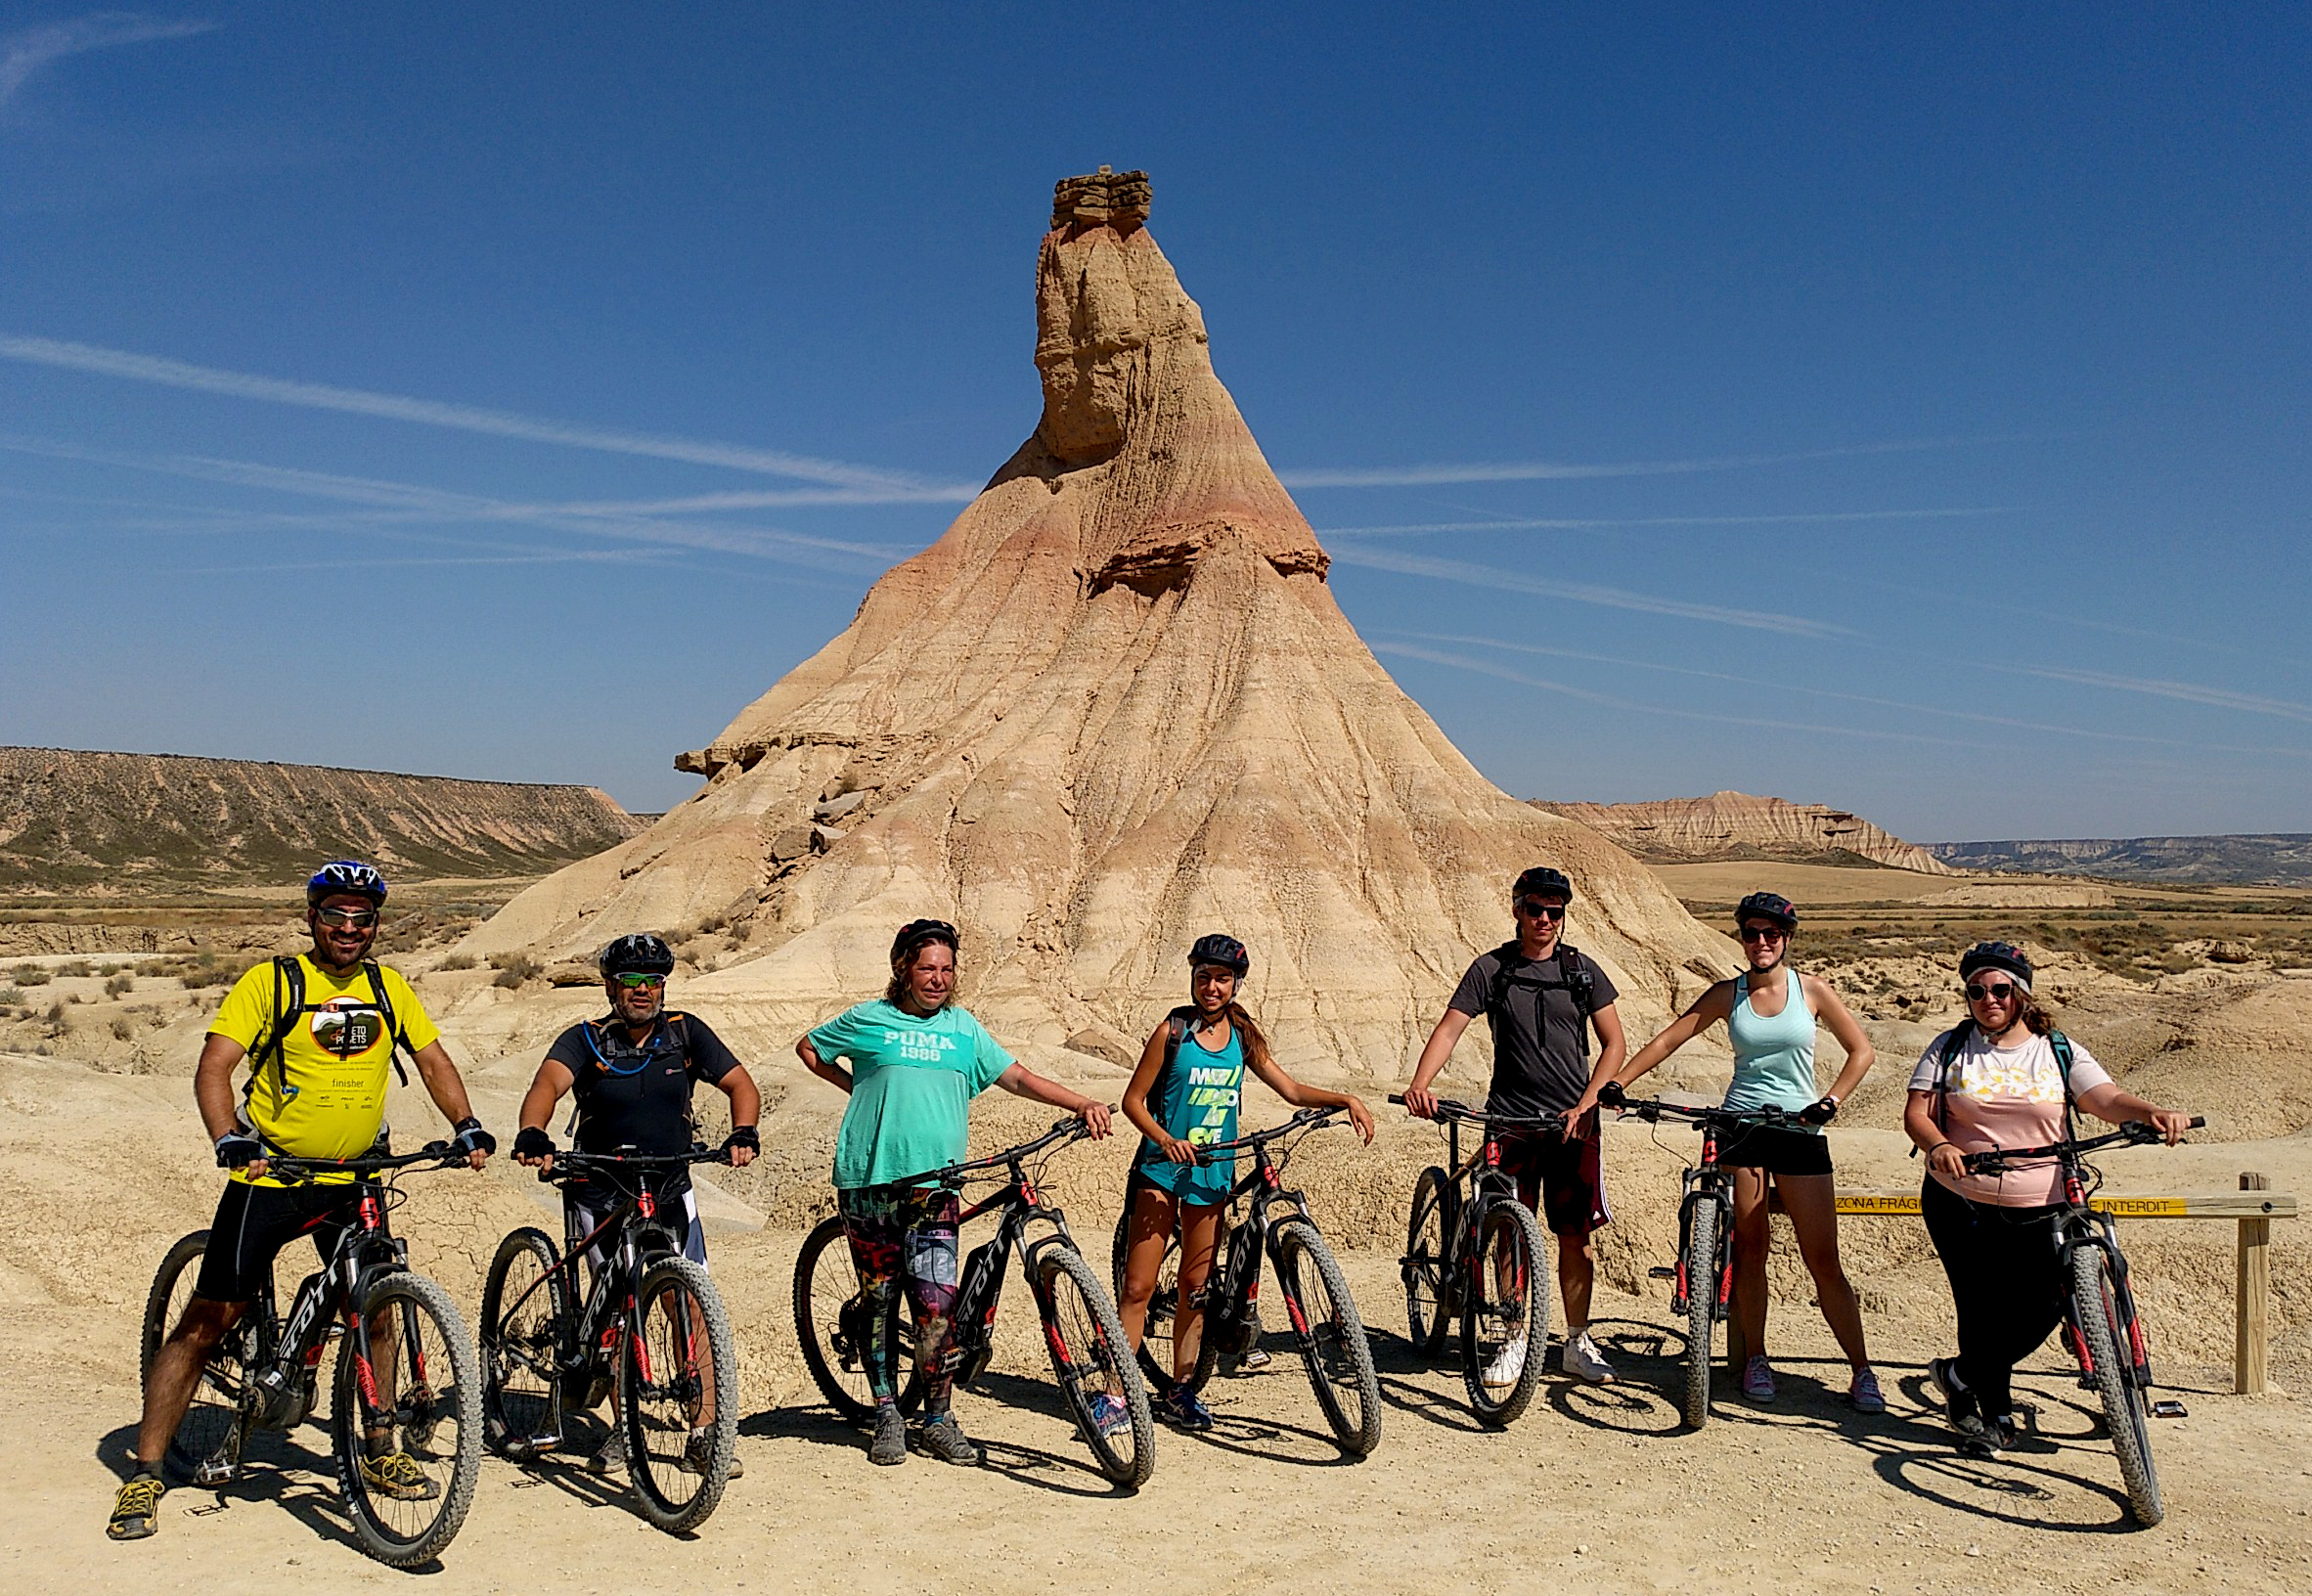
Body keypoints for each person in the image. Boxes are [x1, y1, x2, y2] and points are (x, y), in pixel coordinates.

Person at [109, 862, 495, 1542]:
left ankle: (379, 1448)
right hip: (272, 1177)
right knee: (207, 1320)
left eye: (362, 918)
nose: (349, 930)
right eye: (336, 917)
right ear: (313, 919)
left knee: (375, 1308)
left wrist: (464, 1124)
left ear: (376, 925)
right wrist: (228, 1137)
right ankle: (145, 1468)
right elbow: (215, 1066)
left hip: (356, 1176)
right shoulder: (274, 982)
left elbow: (432, 1060)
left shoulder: (386, 986)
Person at [798, 918, 1112, 1467]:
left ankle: (938, 1419)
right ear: (904, 970)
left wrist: (1079, 1102)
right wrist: (858, 1089)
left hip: (936, 1186)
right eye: (926, 968)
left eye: (946, 969)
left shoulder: (963, 1029)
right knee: (878, 1301)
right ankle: (886, 1413)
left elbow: (1016, 1077)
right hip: (870, 1182)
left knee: (936, 1308)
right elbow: (809, 1048)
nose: (937, 979)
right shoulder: (870, 1019)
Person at [1578, 891, 1884, 1410]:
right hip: (1740, 1128)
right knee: (1750, 1251)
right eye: (1751, 934)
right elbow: (1670, 1039)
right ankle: (1756, 1359)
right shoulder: (1728, 993)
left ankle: (1861, 1369)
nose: (1761, 943)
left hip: (1799, 1128)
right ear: (1741, 938)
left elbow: (1863, 1050)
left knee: (1822, 1260)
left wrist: (1831, 1101)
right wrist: (1617, 1084)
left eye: (1771, 934)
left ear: (1786, 939)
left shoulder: (1811, 990)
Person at [1905, 941, 2195, 1453]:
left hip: (2045, 1203)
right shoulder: (1949, 1047)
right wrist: (1940, 1145)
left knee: (2047, 1302)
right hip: (1960, 1198)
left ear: (2021, 993)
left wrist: (2150, 1112)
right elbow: (1918, 1113)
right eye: (1976, 991)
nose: (1988, 999)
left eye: (2000, 989)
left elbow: (2104, 1098)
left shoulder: (2056, 1049)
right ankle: (1994, 1413)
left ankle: (1959, 1374)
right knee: (1980, 1307)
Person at [511, 932, 762, 1478]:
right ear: (610, 986)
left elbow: (741, 1083)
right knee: (623, 1311)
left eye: (652, 981)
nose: (642, 991)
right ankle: (624, 1431)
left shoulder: (685, 1034)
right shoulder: (586, 1041)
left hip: (669, 1187)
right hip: (601, 1190)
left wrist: (744, 1129)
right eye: (630, 982)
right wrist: (533, 1133)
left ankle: (704, 1433)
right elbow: (546, 1088)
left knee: (688, 1303)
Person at [1115, 934, 1375, 1430]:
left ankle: (1181, 1390)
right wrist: (1165, 1139)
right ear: (1192, 978)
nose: (1212, 987)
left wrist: (1343, 1099)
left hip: (1213, 1173)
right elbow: (1133, 1100)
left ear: (1236, 984)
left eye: (1222, 979)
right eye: (1204, 977)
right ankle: (1114, 1392)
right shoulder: (1172, 1030)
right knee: (1138, 1286)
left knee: (1195, 1289)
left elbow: (1291, 1089)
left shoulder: (1242, 1036)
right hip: (1161, 1169)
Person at [1400, 865, 1627, 1385]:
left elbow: (1614, 1043)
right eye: (1535, 909)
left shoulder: (1582, 970)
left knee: (1576, 1237)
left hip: (1574, 1124)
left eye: (1555, 912)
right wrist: (1421, 1082)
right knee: (1509, 1233)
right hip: (1510, 1119)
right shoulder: (1492, 969)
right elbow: (1450, 1027)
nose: (1545, 919)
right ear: (1517, 910)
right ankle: (1514, 1334)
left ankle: (1576, 1341)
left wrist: (1587, 1103)